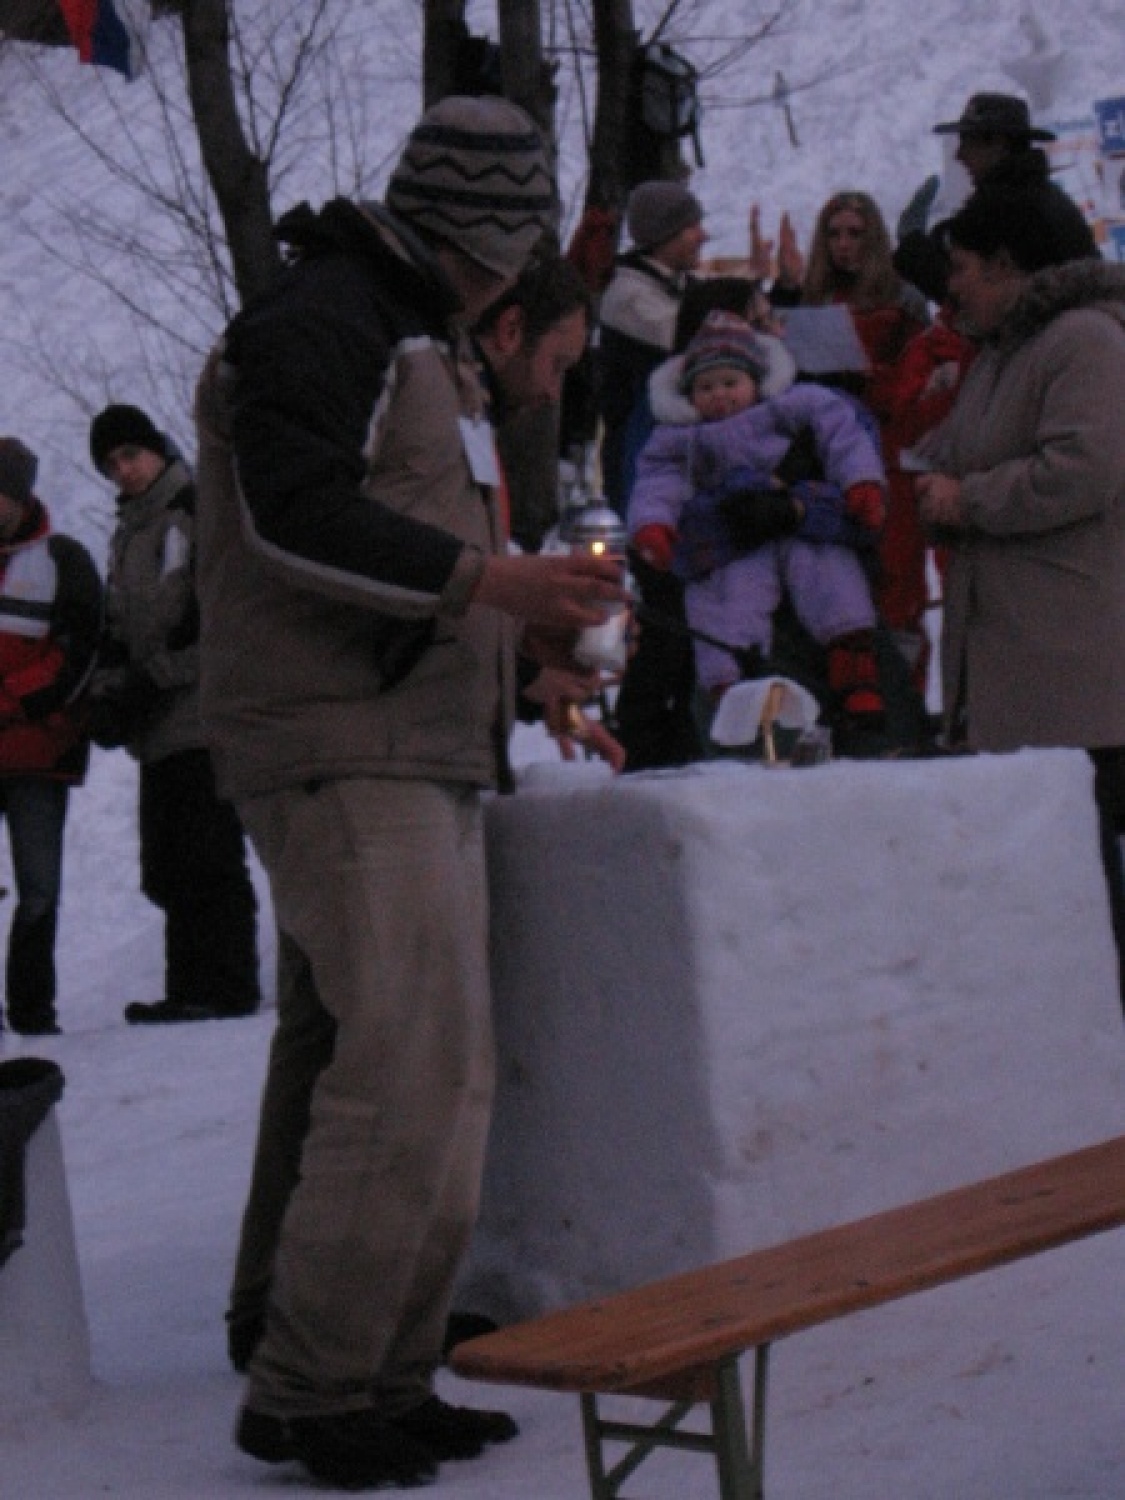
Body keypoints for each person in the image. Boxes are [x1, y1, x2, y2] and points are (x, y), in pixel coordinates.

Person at [193, 96, 629, 1492]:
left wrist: (525, 655)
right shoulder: (327, 316)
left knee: (384, 1059)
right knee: (415, 1064)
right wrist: (491, 584)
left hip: (399, 739)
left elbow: (403, 557)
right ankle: (314, 1390)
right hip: (340, 746)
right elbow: (290, 514)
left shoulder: (409, 334)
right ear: (494, 235)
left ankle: (371, 1366)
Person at [914, 184, 1125, 1010]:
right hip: (1026, 675)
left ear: (1007, 267)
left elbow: (1084, 469)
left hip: (1081, 681)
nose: (950, 287)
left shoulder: (1083, 342)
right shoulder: (1007, 348)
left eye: (961, 269)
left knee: (1095, 894)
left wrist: (968, 501)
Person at [87, 404, 261, 1025]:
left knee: (207, 858)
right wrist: (110, 691)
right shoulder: (131, 534)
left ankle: (228, 985)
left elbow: (214, 621)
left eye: (130, 456)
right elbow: (119, 625)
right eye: (112, 464)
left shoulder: (193, 510)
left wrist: (152, 680)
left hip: (204, 716)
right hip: (158, 728)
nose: (123, 471)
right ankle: (190, 986)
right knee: (167, 866)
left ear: (155, 449)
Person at [628, 310, 887, 725]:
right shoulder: (680, 439)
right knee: (722, 596)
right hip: (734, 542)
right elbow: (657, 484)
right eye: (706, 387)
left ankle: (852, 661)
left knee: (826, 569)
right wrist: (654, 526)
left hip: (801, 525)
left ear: (756, 381)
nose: (720, 396)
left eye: (731, 383)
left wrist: (861, 483)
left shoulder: (793, 406)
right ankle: (732, 688)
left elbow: (844, 436)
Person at [797, 190, 932, 691]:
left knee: (898, 587)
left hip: (892, 455)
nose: (843, 245)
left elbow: (921, 381)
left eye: (854, 233)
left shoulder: (904, 301)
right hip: (829, 459)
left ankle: (906, 700)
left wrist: (871, 380)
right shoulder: (811, 300)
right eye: (834, 234)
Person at [0, 439, 101, 1036]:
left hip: (39, 756)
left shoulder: (63, 559)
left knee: (39, 890)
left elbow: (79, 650)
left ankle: (33, 1012)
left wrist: (11, 701)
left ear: (20, 495)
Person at [894, 92, 1098, 305]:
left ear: (999, 144)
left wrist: (912, 245)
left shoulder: (1002, 208)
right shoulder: (1041, 197)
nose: (959, 155)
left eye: (968, 142)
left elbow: (964, 293)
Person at [596, 179, 707, 512]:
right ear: (664, 235)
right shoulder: (628, 296)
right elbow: (691, 340)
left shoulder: (682, 286)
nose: (703, 236)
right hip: (642, 462)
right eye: (692, 227)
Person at [473, 250, 591, 553]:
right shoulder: (446, 421)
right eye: (556, 365)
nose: (553, 392)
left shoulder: (476, 416)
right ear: (511, 330)